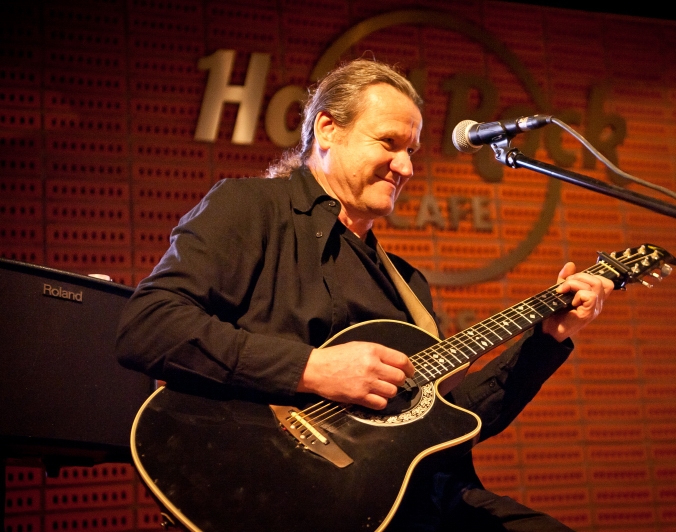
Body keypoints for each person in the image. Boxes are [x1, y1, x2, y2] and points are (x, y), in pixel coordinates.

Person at [116, 59, 614, 531]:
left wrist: (549, 339)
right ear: (328, 130)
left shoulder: (406, 284)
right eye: (389, 142)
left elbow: (447, 423)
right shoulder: (249, 208)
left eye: (413, 150)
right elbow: (149, 325)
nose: (406, 167)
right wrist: (312, 369)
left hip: (422, 500)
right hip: (291, 498)